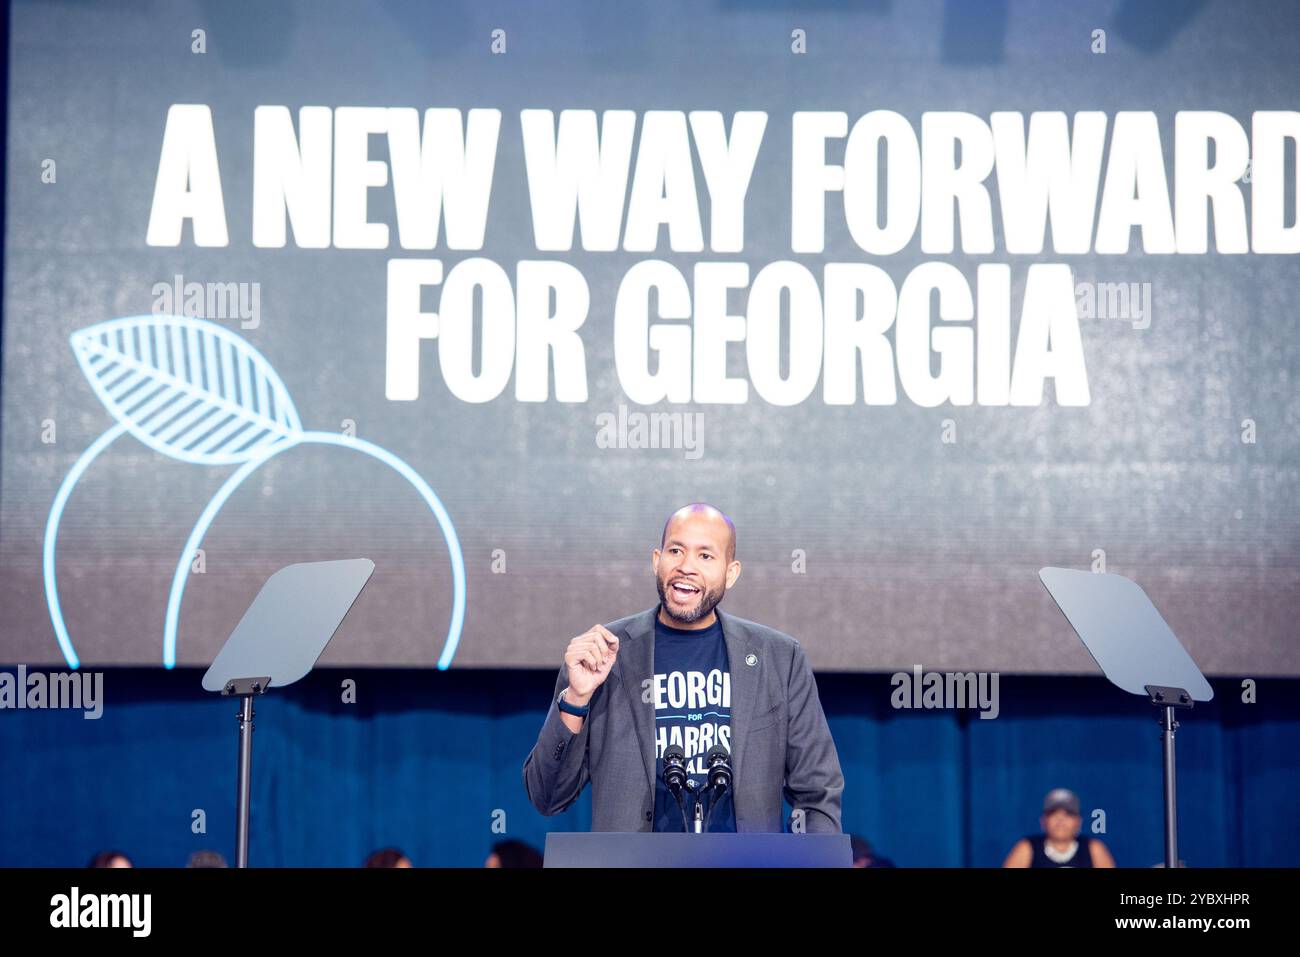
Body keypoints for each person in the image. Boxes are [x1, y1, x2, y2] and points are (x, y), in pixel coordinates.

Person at [522, 503, 844, 833]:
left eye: (705, 556)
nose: (686, 567)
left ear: (730, 573)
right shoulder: (603, 654)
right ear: (656, 560)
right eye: (676, 550)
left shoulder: (778, 658)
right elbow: (547, 797)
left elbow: (817, 792)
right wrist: (576, 698)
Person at [1002, 788, 1116, 868]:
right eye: (1053, 814)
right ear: (1043, 821)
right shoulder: (1026, 849)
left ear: (1078, 821)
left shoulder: (1094, 849)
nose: (1060, 821)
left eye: (1068, 814)